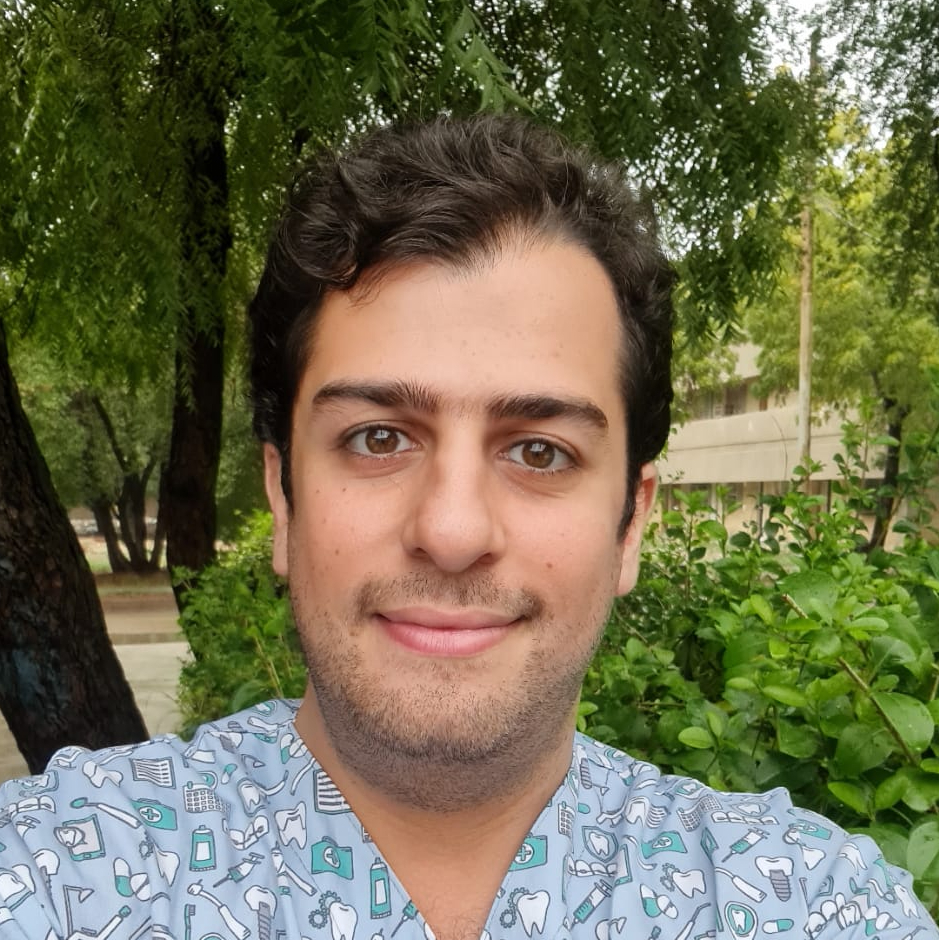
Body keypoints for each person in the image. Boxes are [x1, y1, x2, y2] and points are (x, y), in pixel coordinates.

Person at [0, 114, 935, 940]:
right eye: (377, 437)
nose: (450, 530)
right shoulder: (58, 877)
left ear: (629, 525)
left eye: (539, 451)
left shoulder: (805, 904)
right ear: (283, 499)